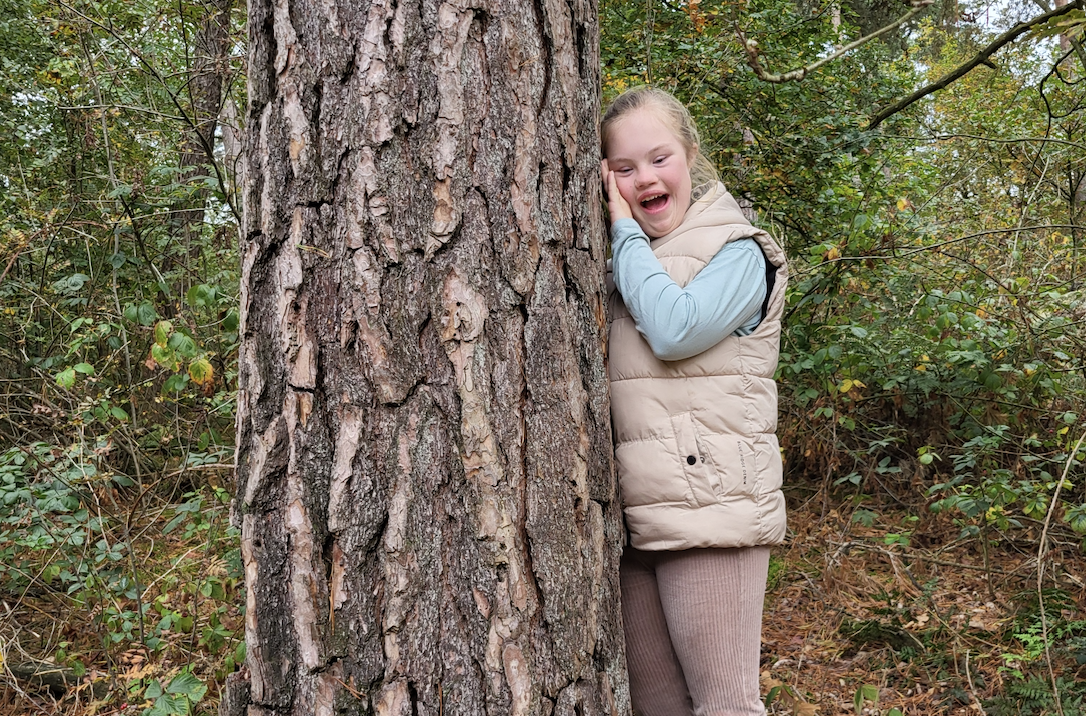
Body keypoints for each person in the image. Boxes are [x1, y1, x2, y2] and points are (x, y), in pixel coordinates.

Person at [600, 86, 788, 716]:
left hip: (712, 513)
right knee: (658, 708)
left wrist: (622, 233)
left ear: (691, 154)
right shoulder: (624, 261)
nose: (645, 179)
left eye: (659, 159)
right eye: (623, 169)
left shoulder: (738, 251)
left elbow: (676, 327)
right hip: (632, 522)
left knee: (726, 708)